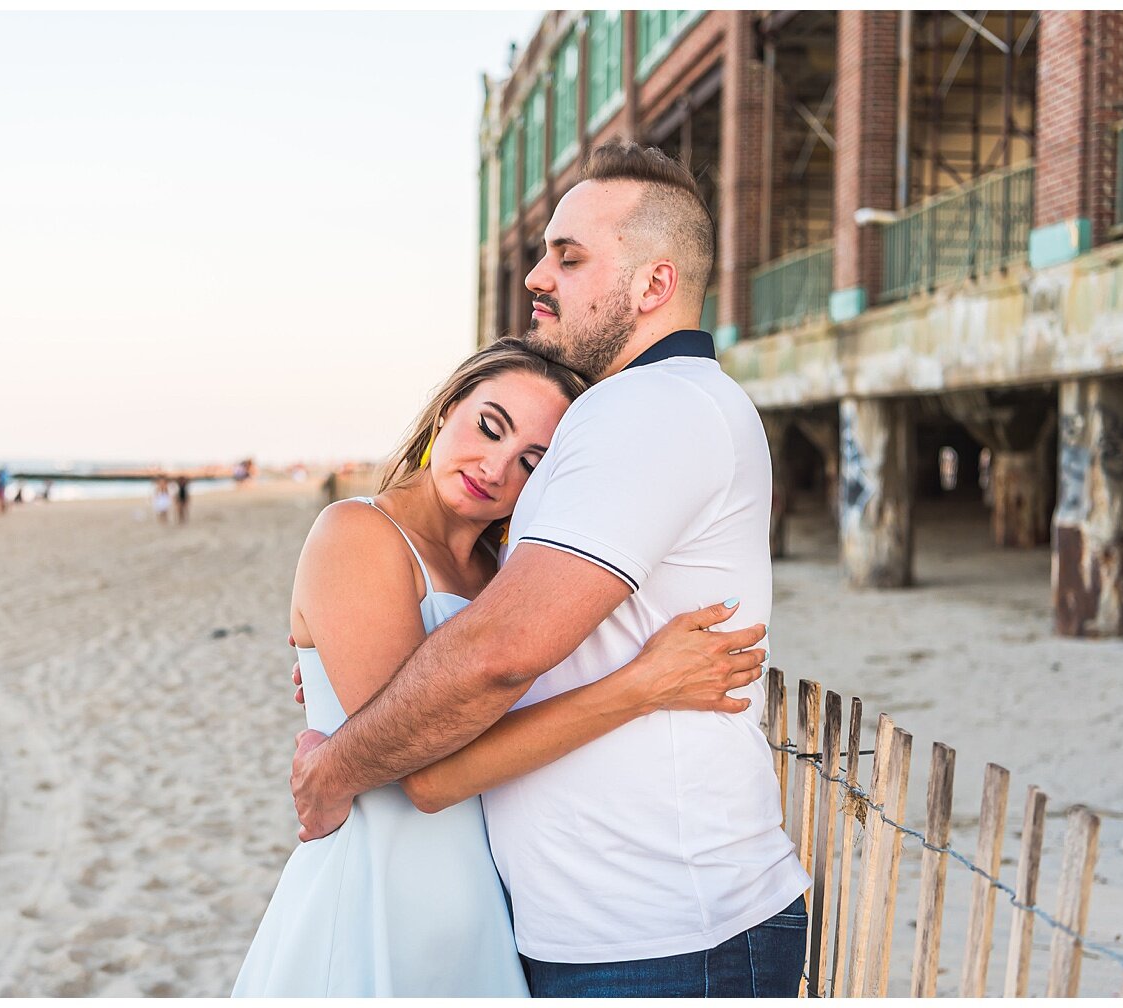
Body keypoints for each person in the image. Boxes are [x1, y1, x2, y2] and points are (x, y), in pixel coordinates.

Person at [289, 141, 810, 998]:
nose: (536, 276)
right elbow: (491, 639)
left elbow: (500, 655)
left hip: (666, 935)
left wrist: (339, 761)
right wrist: (350, 673)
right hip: (591, 929)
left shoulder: (651, 408)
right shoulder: (632, 413)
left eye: (568, 258)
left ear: (653, 286)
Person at [233, 338, 766, 997]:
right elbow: (425, 776)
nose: (495, 466)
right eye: (489, 426)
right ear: (445, 412)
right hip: (377, 884)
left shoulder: (506, 579)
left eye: (530, 462)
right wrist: (641, 687)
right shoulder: (357, 533)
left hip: (484, 905)